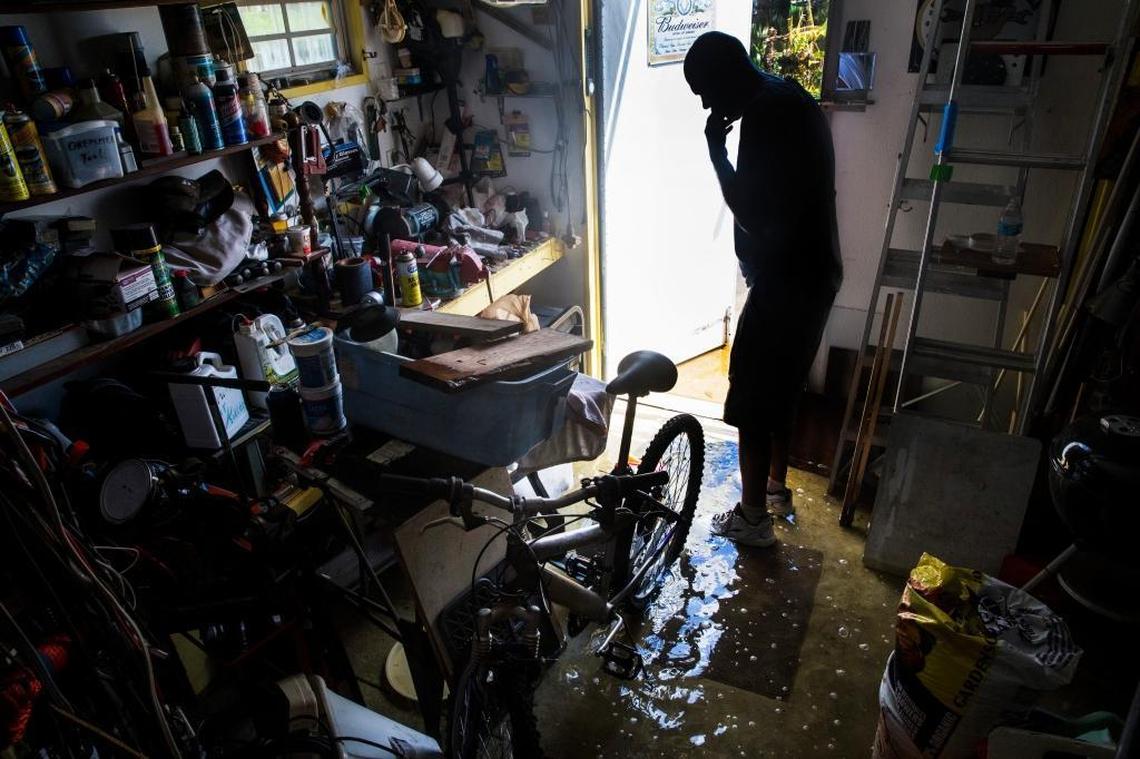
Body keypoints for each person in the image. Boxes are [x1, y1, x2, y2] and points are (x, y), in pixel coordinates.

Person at [684, 31, 842, 547]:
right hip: (812, 272)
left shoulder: (766, 119)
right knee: (783, 384)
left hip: (790, 279)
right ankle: (776, 488)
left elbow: (751, 211)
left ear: (728, 74)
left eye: (706, 91)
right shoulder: (788, 96)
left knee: (752, 391)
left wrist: (716, 153)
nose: (707, 104)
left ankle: (753, 520)